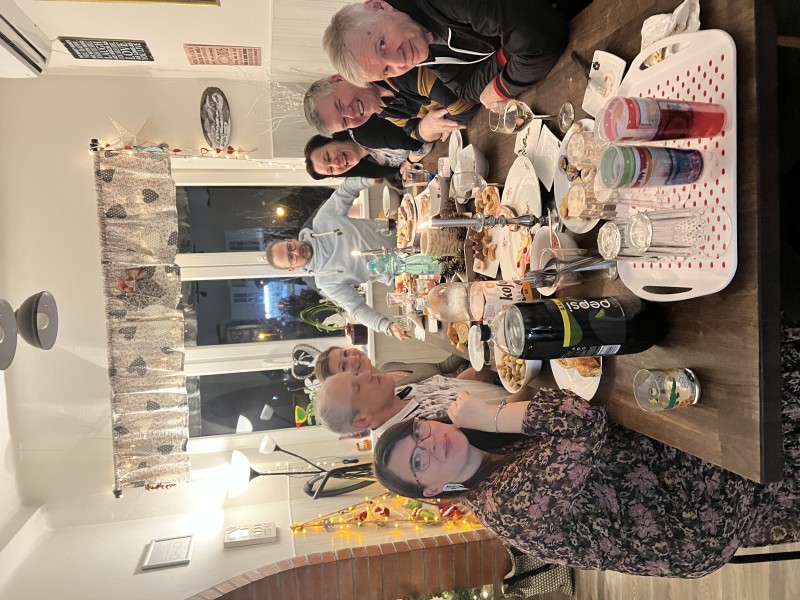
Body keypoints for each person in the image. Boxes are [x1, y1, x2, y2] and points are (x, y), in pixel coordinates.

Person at [373, 323, 800, 577]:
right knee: (739, 375)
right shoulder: (505, 506)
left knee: (680, 361)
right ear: (432, 490)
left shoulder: (486, 457)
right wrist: (492, 415)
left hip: (654, 472)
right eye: (418, 461)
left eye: (419, 432)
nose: (430, 443)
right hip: (689, 518)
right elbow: (582, 424)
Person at [323, 0, 587, 107]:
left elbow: (541, 37)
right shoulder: (418, 42)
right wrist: (507, 55)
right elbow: (465, 89)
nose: (399, 61)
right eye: (386, 70)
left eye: (381, 44)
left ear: (378, 6)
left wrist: (501, 88)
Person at [264, 177, 409, 339]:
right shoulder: (326, 283)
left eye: (290, 247)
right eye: (291, 257)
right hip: (404, 273)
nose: (296, 252)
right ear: (292, 268)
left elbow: (345, 190)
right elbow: (356, 309)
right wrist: (387, 326)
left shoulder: (323, 220)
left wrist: (367, 180)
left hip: (406, 234)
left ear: (289, 240)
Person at [316, 366, 512, 438]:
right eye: (357, 387)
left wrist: (492, 361)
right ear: (362, 420)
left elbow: (456, 385)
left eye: (356, 374)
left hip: (516, 386)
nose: (367, 374)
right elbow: (501, 424)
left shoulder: (396, 394)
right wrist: (525, 385)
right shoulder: (419, 434)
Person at [304, 69, 476, 140]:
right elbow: (413, 132)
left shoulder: (391, 70)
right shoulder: (381, 108)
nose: (351, 114)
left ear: (338, 79)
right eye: (345, 122)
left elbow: (463, 104)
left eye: (340, 105)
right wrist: (427, 127)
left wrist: (434, 126)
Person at [314, 344, 497, 386]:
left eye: (345, 353)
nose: (352, 358)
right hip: (481, 385)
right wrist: (483, 364)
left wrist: (468, 343)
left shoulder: (387, 366)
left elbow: (442, 367)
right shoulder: (389, 394)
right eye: (344, 366)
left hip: (476, 370)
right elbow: (455, 389)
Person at [304, 131, 431, 180]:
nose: (336, 164)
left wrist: (409, 162)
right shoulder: (370, 162)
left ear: (330, 139)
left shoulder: (364, 133)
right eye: (331, 170)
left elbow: (422, 144)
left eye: (328, 157)